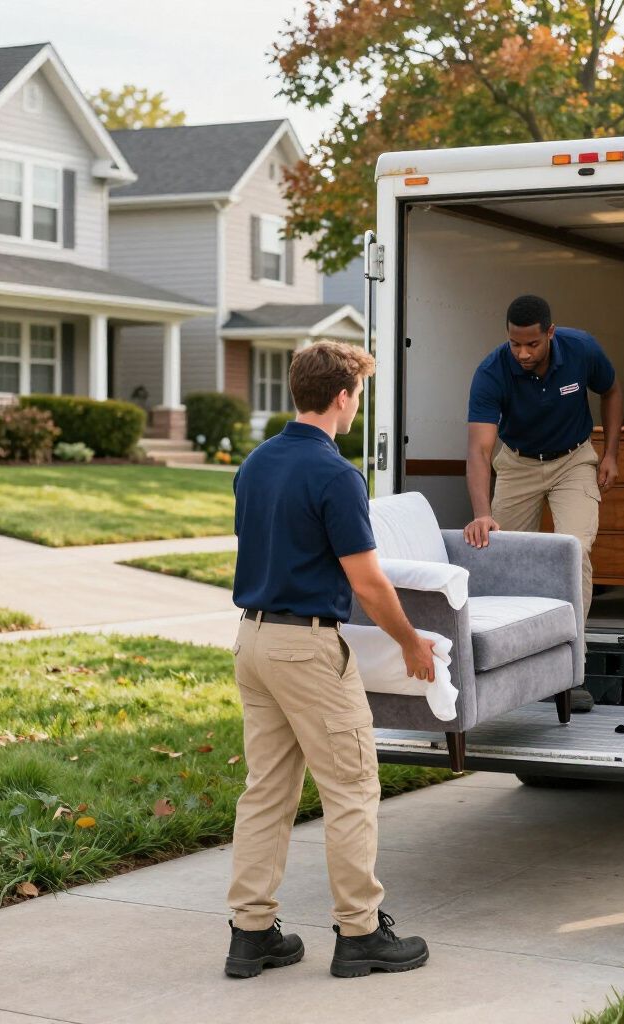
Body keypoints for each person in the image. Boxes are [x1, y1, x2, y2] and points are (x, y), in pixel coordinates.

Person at [225, 340, 434, 980]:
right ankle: (361, 933)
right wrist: (410, 642)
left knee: (266, 791)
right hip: (306, 648)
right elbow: (369, 582)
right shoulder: (337, 475)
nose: (356, 408)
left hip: (253, 641)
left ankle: (251, 934)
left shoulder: (256, 464)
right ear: (342, 397)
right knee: (351, 787)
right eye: (358, 397)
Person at [464, 294, 622, 711]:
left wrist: (611, 454)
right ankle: (518, 667)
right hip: (517, 464)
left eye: (531, 344)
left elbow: (611, 390)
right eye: (515, 344)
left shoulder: (582, 348)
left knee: (574, 550)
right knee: (507, 559)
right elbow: (480, 450)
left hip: (574, 460)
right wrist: (482, 514)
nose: (522, 353)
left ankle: (572, 672)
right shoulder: (491, 371)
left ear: (550, 333)